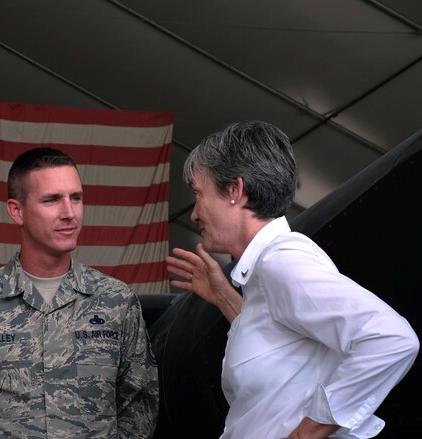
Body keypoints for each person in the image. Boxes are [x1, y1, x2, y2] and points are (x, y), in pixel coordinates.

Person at [165, 120, 419, 439]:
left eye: (199, 195)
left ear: (234, 191)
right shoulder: (269, 268)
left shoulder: (282, 262)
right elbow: (282, 348)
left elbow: (391, 338)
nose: (194, 214)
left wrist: (306, 434)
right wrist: (224, 298)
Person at [0, 147, 159, 438]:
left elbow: (140, 405)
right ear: (17, 211)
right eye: (52, 200)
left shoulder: (116, 302)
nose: (69, 213)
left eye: (76, 198)